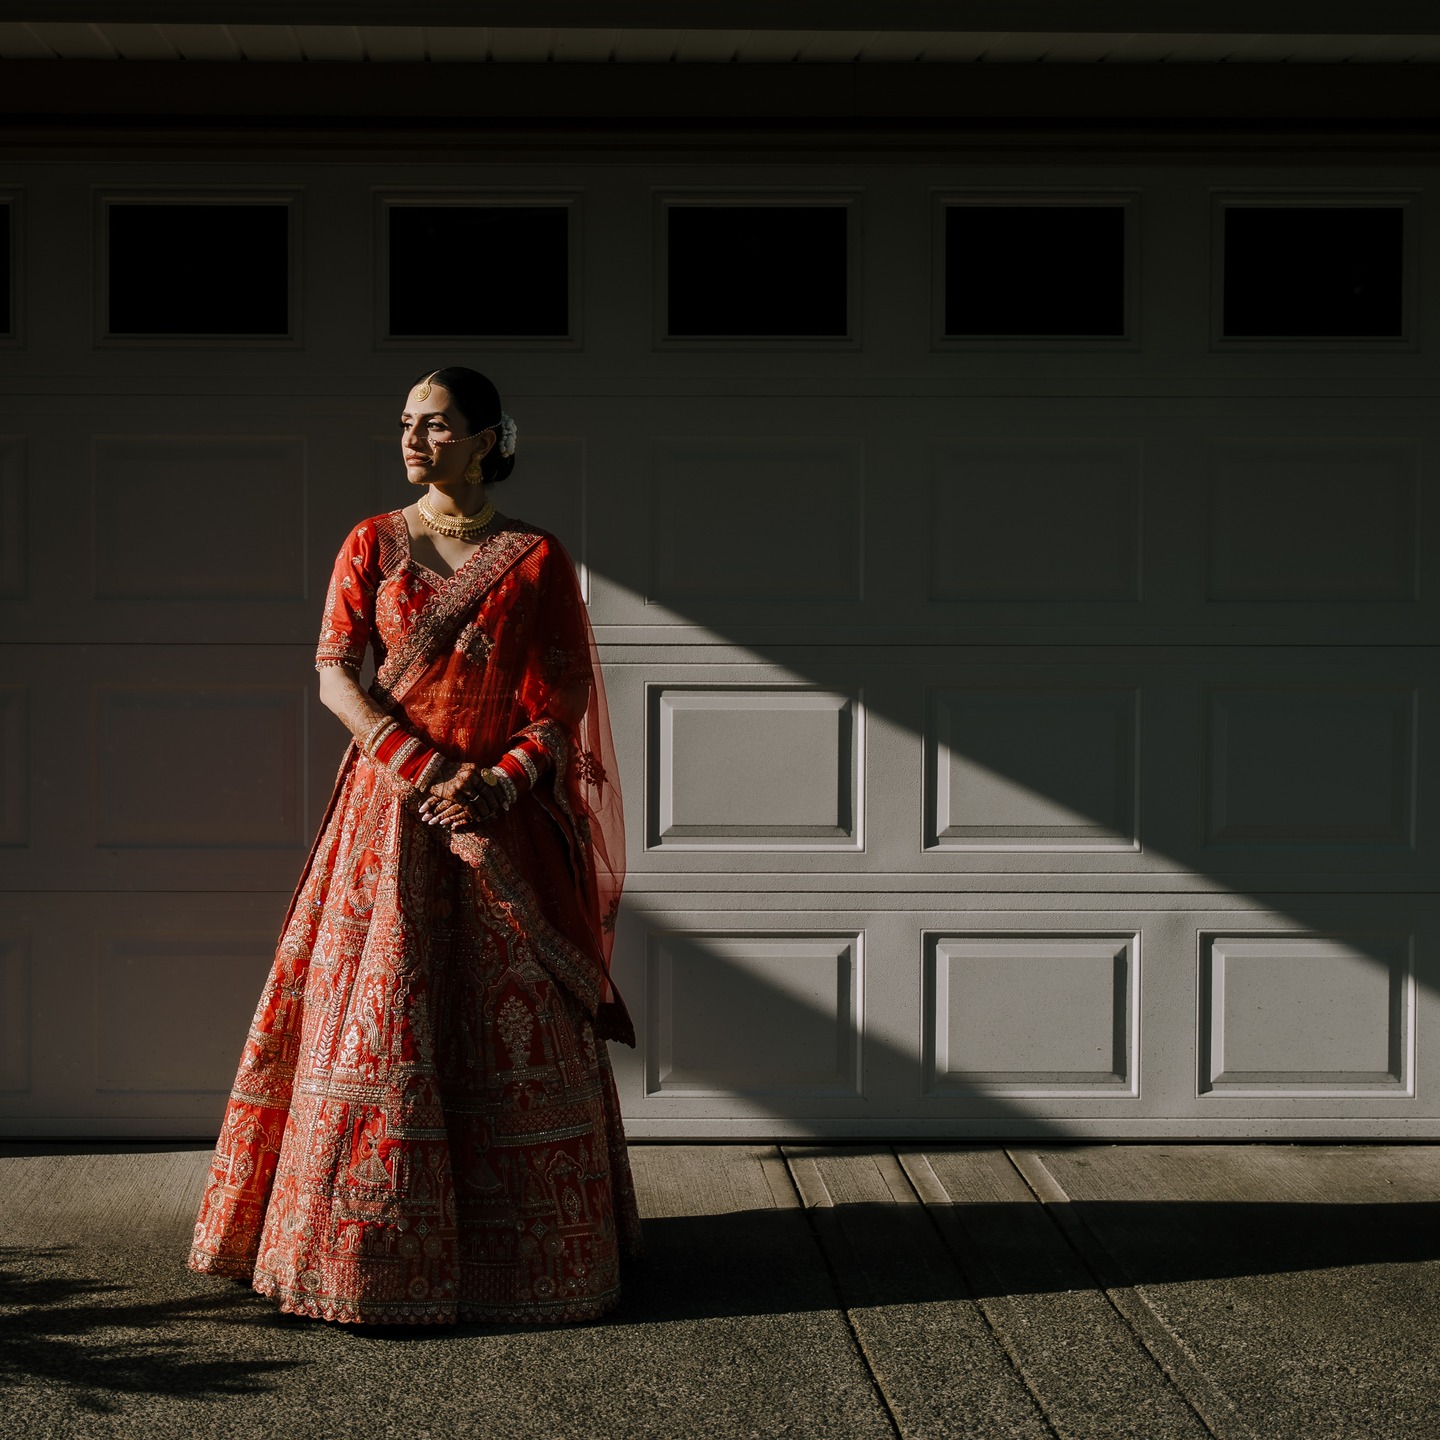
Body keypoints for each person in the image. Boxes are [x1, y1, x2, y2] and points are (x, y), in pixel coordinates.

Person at [188, 366, 640, 1325]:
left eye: (437, 426)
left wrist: (499, 779)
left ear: (487, 441)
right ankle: (361, 1258)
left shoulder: (533, 557)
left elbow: (562, 696)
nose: (414, 440)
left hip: (495, 817)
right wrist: (426, 769)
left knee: (511, 1024)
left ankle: (535, 1260)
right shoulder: (374, 543)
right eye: (406, 425)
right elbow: (331, 673)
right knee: (378, 1011)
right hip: (390, 812)